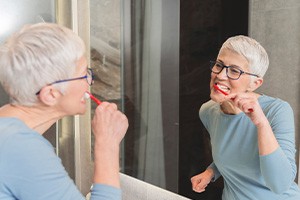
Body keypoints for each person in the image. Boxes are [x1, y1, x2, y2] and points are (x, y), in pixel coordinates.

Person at [0, 23, 128, 199]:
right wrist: (107, 144)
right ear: (50, 94)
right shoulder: (22, 148)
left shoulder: (8, 131)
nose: (89, 82)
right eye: (84, 75)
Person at [191, 35, 300, 199]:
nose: (220, 75)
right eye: (219, 65)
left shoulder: (277, 111)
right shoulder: (208, 112)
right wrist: (211, 171)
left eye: (234, 71)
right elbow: (236, 152)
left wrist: (261, 123)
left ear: (255, 83)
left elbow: (280, 184)